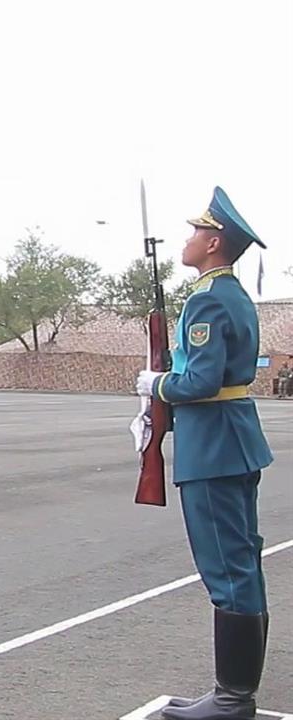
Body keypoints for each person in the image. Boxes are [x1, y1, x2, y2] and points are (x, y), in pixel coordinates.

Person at [135, 187, 273, 720]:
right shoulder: (231, 294)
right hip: (231, 440)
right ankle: (234, 693)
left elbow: (200, 380)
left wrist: (156, 383)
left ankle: (233, 698)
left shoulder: (207, 298)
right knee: (242, 563)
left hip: (213, 447)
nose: (188, 239)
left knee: (227, 568)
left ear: (214, 243)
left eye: (196, 231)